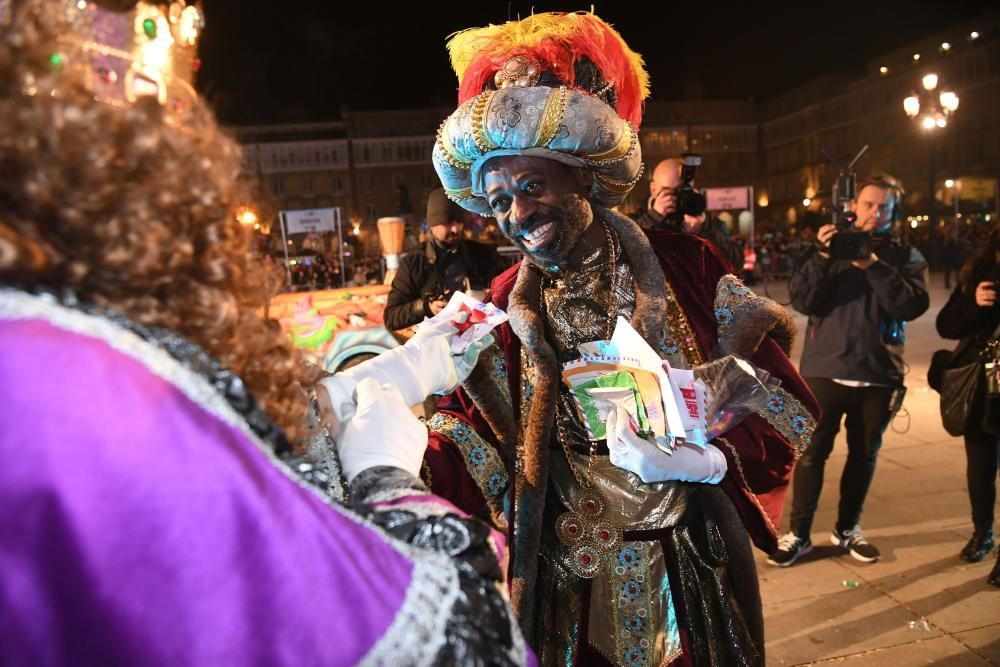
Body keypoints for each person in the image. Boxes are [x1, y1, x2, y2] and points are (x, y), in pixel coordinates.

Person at [0, 2, 534, 664]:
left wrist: (406, 370)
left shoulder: (67, 337)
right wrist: (389, 483)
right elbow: (454, 640)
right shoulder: (65, 385)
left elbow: (246, 441)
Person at [426, 12, 819, 665]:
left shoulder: (689, 266)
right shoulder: (497, 305)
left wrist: (713, 459)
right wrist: (392, 453)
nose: (517, 214)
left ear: (581, 176)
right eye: (499, 200)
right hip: (564, 592)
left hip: (687, 571)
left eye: (531, 186)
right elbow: (470, 447)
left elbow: (787, 402)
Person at [772, 177, 930, 567]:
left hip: (878, 375)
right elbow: (804, 300)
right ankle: (799, 534)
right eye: (869, 205)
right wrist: (825, 256)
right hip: (826, 371)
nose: (875, 213)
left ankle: (847, 529)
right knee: (811, 457)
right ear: (853, 207)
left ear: (894, 211)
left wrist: (872, 265)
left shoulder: (905, 255)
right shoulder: (831, 249)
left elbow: (909, 306)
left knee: (864, 456)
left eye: (883, 207)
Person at [936, 224, 1000, 586]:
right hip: (982, 389)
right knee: (980, 470)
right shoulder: (978, 272)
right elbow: (947, 325)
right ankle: (983, 533)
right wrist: (974, 304)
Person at [383, 188, 500, 331]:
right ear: (432, 225)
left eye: (459, 222)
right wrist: (427, 307)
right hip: (436, 345)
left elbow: (506, 293)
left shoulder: (482, 254)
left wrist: (491, 296)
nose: (455, 229)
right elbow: (392, 318)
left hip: (479, 338)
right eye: (448, 222)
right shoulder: (413, 262)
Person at [632, 158, 744, 274]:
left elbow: (735, 266)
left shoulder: (707, 222)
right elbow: (625, 258)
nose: (676, 197)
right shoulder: (635, 221)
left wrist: (704, 232)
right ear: (653, 189)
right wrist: (653, 218)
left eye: (681, 190)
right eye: (668, 191)